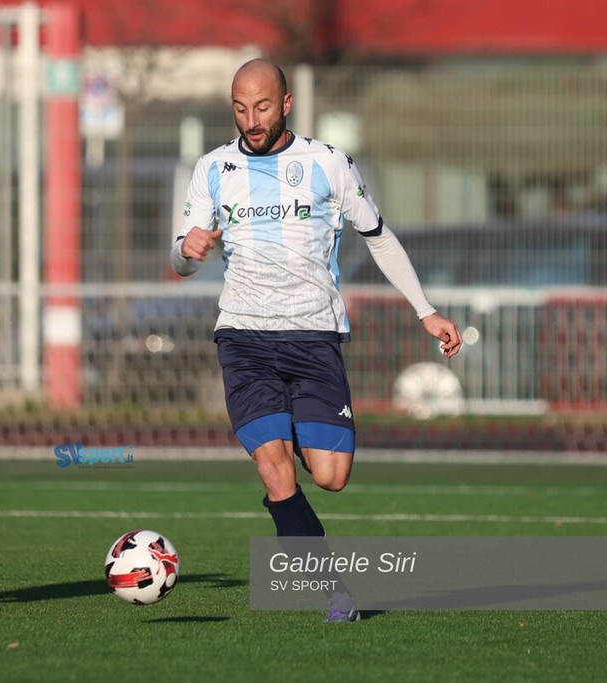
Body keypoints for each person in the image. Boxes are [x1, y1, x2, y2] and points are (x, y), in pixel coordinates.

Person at [171, 59, 461, 622]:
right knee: (274, 467)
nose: (251, 120)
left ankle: (291, 471)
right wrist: (187, 251)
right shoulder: (212, 168)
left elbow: (378, 237)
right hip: (244, 337)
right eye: (240, 108)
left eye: (261, 107)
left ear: (286, 104)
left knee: (330, 476)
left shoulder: (329, 163)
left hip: (312, 335)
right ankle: (334, 592)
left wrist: (425, 311)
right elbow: (181, 256)